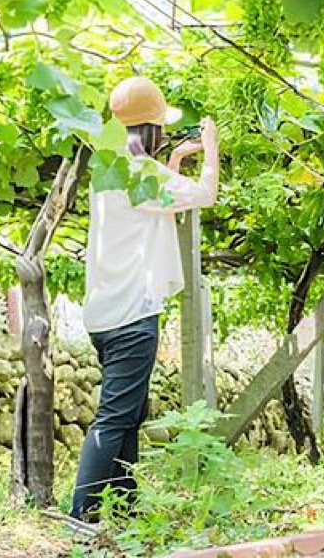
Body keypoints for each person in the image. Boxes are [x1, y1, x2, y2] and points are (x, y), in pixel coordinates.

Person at [70, 76, 219, 521]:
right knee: (115, 418)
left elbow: (157, 200)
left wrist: (175, 158)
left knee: (130, 415)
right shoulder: (142, 176)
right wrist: (210, 147)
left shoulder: (110, 171)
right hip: (133, 316)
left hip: (105, 314)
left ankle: (123, 507)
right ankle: (83, 514)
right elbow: (203, 194)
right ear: (149, 130)